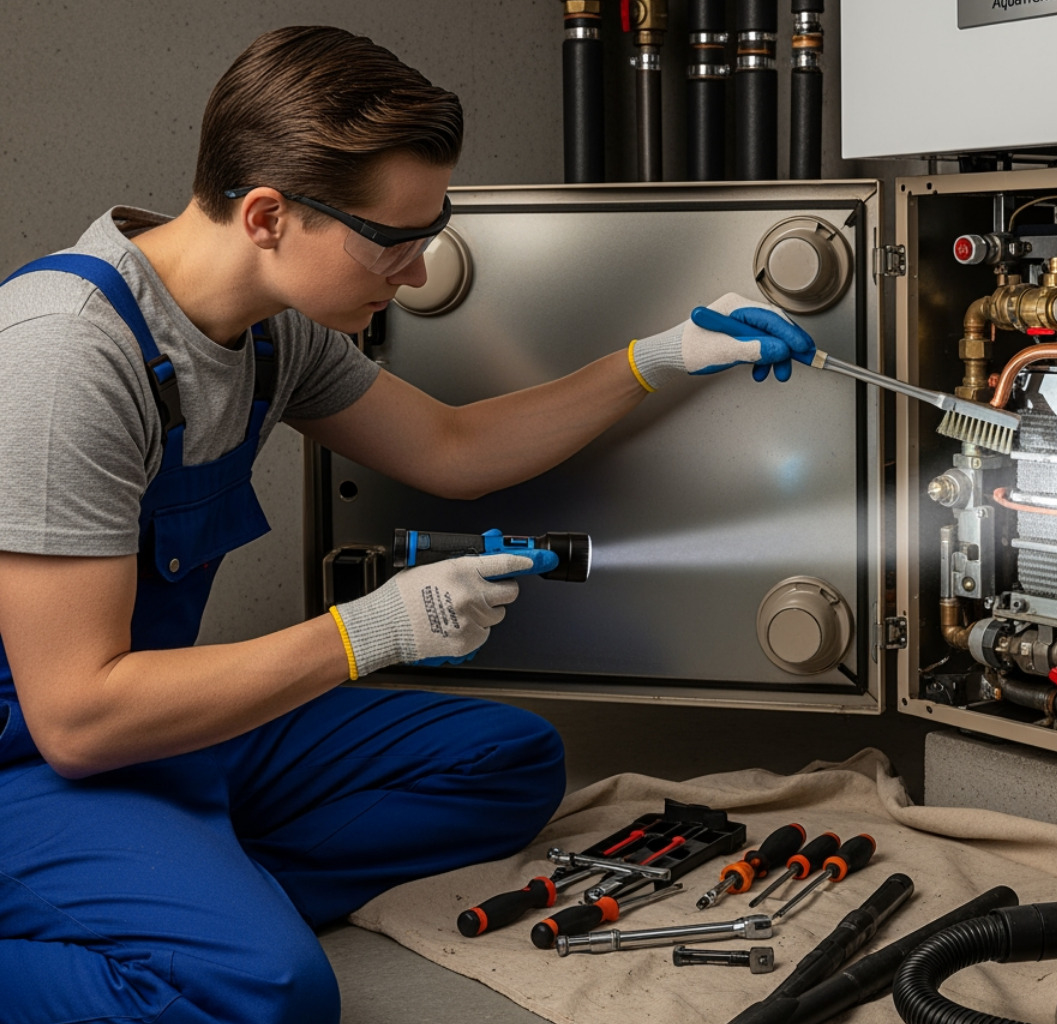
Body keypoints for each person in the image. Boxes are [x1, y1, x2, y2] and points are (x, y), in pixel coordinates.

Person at [0, 25, 814, 1023]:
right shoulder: (67, 355)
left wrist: (656, 357)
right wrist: (365, 634)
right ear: (266, 215)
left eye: (431, 229)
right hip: (37, 758)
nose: (419, 272)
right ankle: (177, 914)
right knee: (267, 990)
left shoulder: (270, 331)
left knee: (508, 763)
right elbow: (76, 718)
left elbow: (453, 449)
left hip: (152, 738)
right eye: (392, 239)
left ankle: (183, 883)